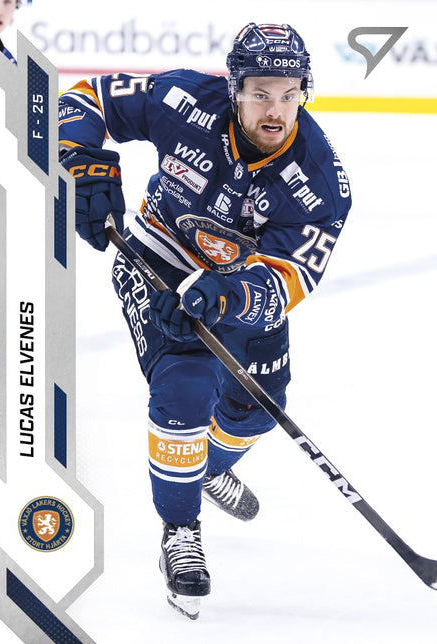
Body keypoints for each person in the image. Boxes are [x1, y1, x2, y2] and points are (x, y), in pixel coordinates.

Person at [58, 22, 352, 618]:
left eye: (290, 93)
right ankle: (181, 532)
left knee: (256, 410)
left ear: (305, 91)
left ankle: (205, 470)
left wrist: (225, 295)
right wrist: (84, 160)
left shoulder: (320, 182)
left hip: (239, 286)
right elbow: (85, 98)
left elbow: (290, 279)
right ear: (235, 87)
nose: (276, 110)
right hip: (159, 255)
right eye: (261, 93)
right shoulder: (184, 98)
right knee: (186, 386)